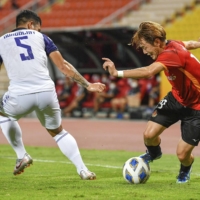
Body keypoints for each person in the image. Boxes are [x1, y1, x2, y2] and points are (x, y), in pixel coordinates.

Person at [0, 10, 105, 180]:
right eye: (38, 28)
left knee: (3, 115)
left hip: (19, 95)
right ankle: (83, 170)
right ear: (30, 25)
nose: (39, 31)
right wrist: (87, 85)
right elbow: (63, 66)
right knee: (58, 132)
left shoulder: (1, 41)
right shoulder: (42, 38)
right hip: (46, 93)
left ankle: (21, 155)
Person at [102, 21, 200, 183]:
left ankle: (185, 169)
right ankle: (154, 153)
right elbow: (187, 43)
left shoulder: (171, 54)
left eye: (145, 46)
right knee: (149, 135)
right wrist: (197, 43)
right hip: (176, 98)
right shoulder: (173, 45)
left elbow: (148, 72)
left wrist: (116, 72)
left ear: (156, 42)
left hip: (197, 107)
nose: (144, 51)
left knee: (182, 155)